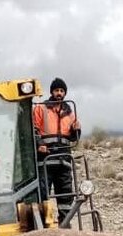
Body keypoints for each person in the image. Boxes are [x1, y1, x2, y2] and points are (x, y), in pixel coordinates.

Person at [33, 77, 82, 220]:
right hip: (46, 159)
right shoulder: (40, 108)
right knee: (43, 193)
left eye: (61, 90)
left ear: (65, 93)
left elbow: (73, 138)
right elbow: (34, 129)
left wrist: (77, 130)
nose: (59, 93)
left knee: (66, 193)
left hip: (64, 159)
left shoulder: (70, 113)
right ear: (51, 92)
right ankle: (43, 223)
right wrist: (39, 144)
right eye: (56, 90)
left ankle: (65, 224)